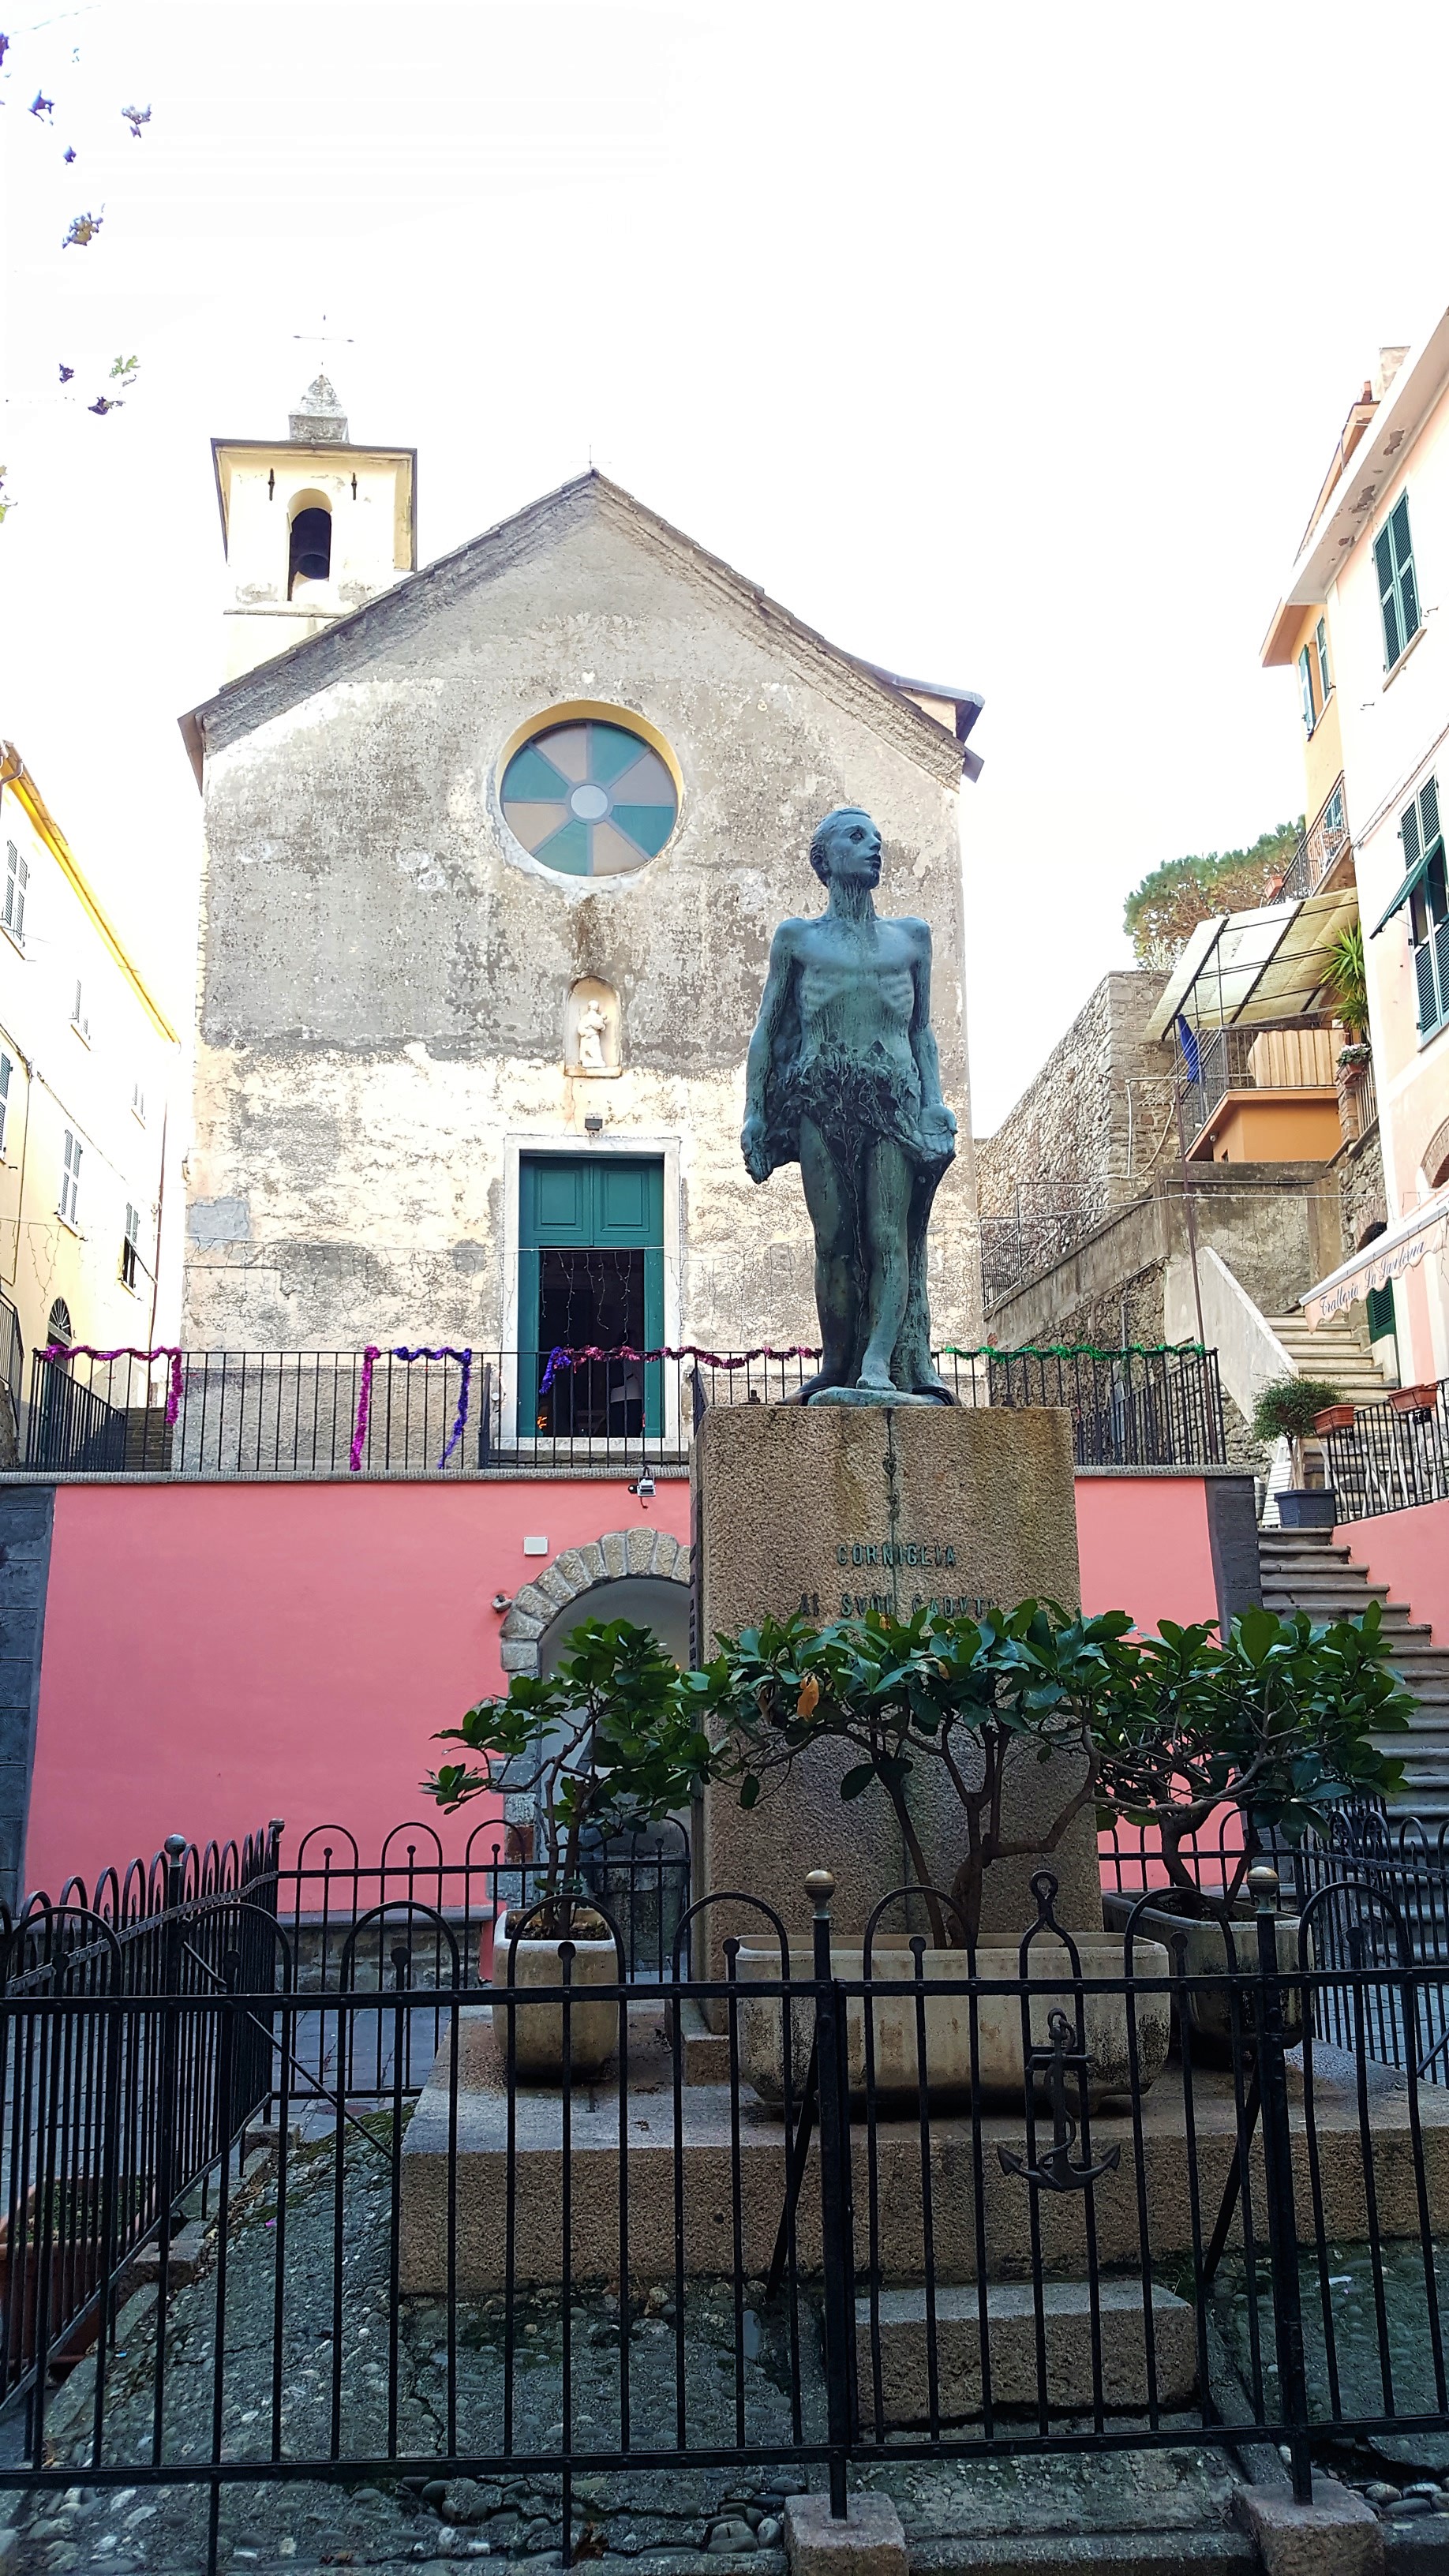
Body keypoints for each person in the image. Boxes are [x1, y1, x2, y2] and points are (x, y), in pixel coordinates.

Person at [740, 806, 956, 1400]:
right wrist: (755, 1113)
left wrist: (935, 1104)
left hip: (892, 1101)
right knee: (833, 1239)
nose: (874, 847)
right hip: (820, 1098)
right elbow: (768, 1028)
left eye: (878, 839)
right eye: (857, 837)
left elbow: (922, 1033)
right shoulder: (798, 938)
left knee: (888, 1232)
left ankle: (880, 1362)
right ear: (825, 857)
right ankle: (837, 1362)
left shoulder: (911, 938)